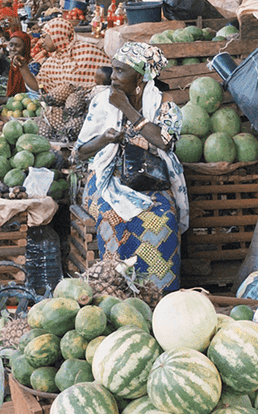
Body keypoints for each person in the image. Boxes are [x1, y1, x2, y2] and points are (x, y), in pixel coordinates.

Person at [76, 42, 189, 293]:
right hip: (107, 177)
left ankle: (158, 295)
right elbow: (80, 152)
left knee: (164, 217)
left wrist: (127, 108)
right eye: (113, 70)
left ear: (140, 78)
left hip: (150, 177)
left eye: (120, 71)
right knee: (112, 216)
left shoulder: (165, 104)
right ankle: (115, 292)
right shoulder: (102, 101)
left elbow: (164, 142)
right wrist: (105, 139)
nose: (113, 77)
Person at [35, 15, 112, 91]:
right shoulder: (51, 62)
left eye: (44, 36)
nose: (42, 41)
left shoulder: (87, 52)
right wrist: (23, 67)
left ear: (56, 35)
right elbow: (40, 86)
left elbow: (111, 76)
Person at [6, 31, 38, 96]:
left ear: (25, 47)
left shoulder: (33, 66)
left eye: (17, 46)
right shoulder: (14, 63)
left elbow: (36, 89)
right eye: (11, 45)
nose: (13, 49)